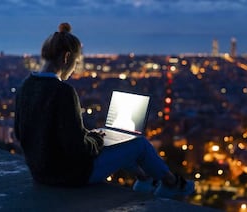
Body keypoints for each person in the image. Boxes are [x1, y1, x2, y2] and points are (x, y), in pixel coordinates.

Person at [14, 22, 194, 199]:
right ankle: (172, 184)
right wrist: (96, 141)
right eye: (76, 62)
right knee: (139, 144)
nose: (75, 68)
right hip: (69, 175)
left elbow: (20, 133)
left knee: (119, 145)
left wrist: (89, 136)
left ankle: (144, 180)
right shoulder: (63, 92)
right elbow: (78, 148)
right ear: (66, 58)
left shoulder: (26, 85)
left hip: (40, 172)